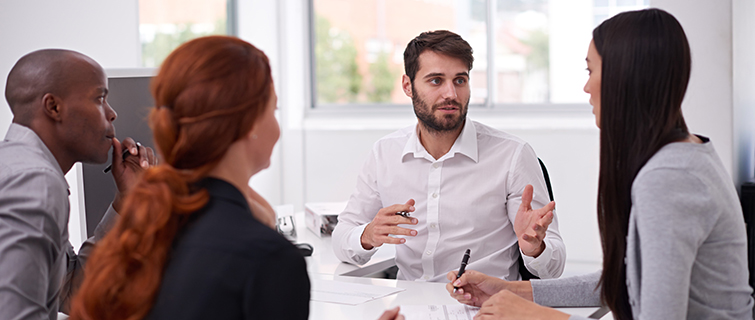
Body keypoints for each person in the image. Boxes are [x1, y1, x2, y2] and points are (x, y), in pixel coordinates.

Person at [446, 8, 754, 320]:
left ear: (624, 76)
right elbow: (624, 282)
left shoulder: (668, 178)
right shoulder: (683, 154)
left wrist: (535, 316)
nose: (586, 87)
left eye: (590, 71)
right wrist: (511, 291)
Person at [68, 36, 405, 320]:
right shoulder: (268, 259)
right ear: (248, 126)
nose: (277, 126)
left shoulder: (138, 234)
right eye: (273, 110)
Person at [332, 30, 565, 282]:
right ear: (408, 86)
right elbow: (342, 236)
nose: (451, 94)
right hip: (409, 307)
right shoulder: (385, 154)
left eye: (460, 80)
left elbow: (554, 267)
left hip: (486, 307)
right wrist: (368, 235)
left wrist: (534, 248)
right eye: (436, 81)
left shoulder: (512, 155)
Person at [0, 49, 154, 320]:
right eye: (100, 99)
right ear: (54, 107)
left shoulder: (21, 168)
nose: (112, 113)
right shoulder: (35, 180)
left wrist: (127, 200)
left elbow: (70, 292)